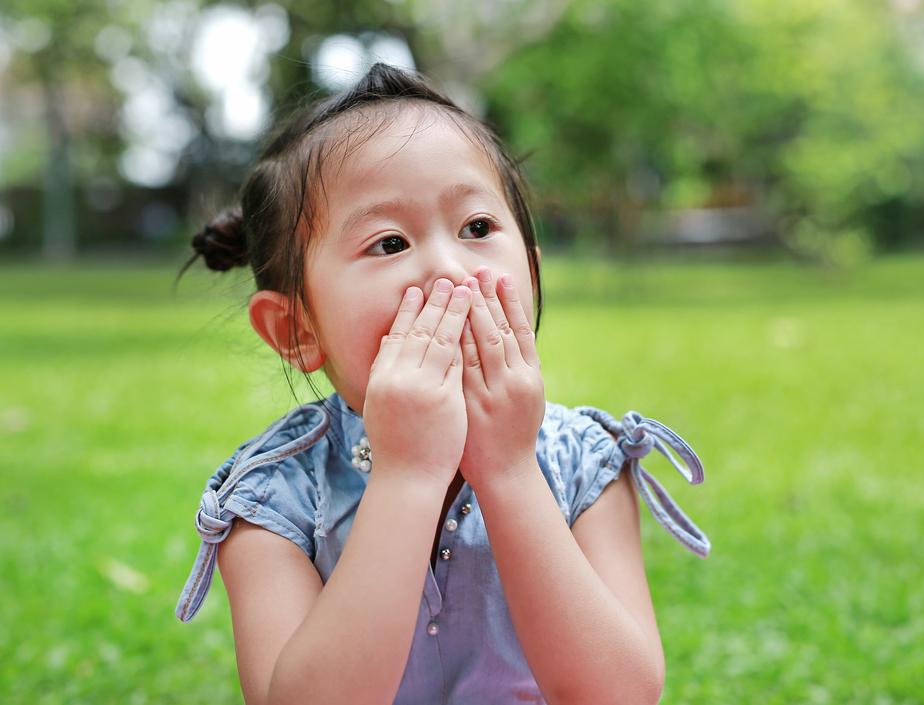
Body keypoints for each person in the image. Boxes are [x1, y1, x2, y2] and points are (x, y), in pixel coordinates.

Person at [175, 62, 710, 705]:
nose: (449, 270)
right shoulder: (273, 496)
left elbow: (618, 694)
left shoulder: (583, 464)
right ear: (297, 331)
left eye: (477, 228)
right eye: (390, 242)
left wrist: (510, 471)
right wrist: (407, 475)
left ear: (532, 279)